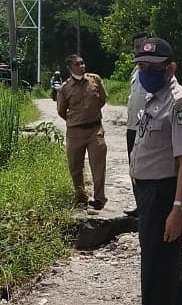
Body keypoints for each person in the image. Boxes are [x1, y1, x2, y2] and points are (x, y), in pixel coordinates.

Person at [110, 37, 182, 305]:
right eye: (142, 67)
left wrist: (177, 207)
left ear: (170, 68)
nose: (146, 72)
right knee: (169, 268)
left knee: (156, 275)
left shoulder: (178, 103)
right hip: (150, 193)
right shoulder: (154, 98)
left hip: (164, 195)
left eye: (153, 67)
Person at [57, 54, 108, 210]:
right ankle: (80, 196)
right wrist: (75, 120)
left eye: (82, 63)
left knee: (98, 164)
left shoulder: (95, 80)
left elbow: (102, 99)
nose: (82, 66)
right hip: (75, 132)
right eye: (78, 64)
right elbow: (61, 110)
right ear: (70, 67)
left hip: (95, 129)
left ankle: (99, 199)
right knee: (75, 166)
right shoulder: (65, 88)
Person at [124, 32, 149, 217]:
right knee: (134, 167)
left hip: (146, 128)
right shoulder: (136, 71)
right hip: (132, 127)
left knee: (146, 168)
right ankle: (140, 205)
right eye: (136, 47)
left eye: (142, 46)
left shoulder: (155, 71)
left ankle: (147, 207)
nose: (139, 50)